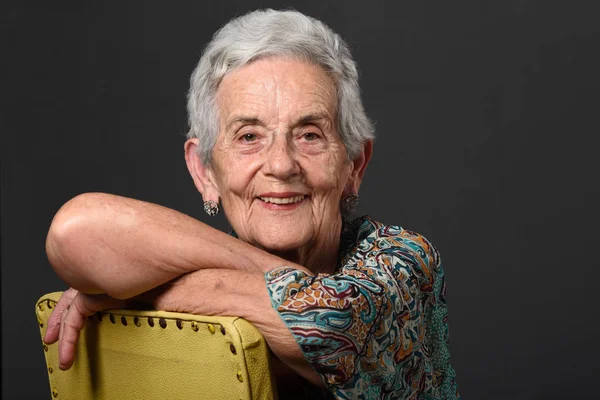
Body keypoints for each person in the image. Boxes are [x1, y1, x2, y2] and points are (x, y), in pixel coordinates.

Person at [43, 9, 460, 400]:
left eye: (310, 134)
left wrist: (141, 291)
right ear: (204, 170)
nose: (280, 165)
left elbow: (329, 322)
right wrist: (285, 281)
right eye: (248, 137)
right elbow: (73, 230)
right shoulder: (190, 255)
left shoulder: (402, 264)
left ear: (354, 165)